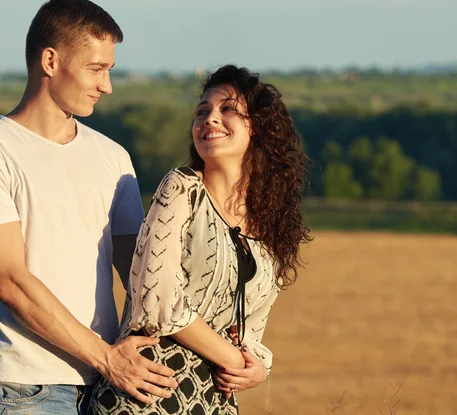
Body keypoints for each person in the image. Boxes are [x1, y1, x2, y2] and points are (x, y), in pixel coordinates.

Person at [0, 1, 178, 414]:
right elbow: (10, 282)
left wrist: (227, 346)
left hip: (111, 388)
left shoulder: (113, 157)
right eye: (96, 68)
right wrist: (107, 357)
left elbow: (143, 272)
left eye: (109, 70)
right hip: (25, 388)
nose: (107, 85)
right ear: (50, 60)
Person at [89, 65, 312, 415]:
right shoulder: (181, 189)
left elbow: (251, 329)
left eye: (227, 110)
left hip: (213, 403)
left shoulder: (269, 225)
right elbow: (157, 303)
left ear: (260, 129)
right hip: (147, 394)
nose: (210, 119)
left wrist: (258, 366)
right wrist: (231, 357)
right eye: (202, 111)